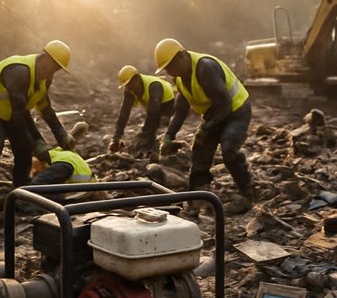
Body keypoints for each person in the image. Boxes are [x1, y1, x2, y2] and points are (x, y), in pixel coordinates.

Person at [0, 40, 76, 223]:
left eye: (56, 70)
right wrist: (37, 142)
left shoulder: (45, 78)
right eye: (50, 66)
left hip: (12, 111)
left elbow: (45, 108)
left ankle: (24, 197)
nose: (51, 71)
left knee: (23, 151)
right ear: (44, 56)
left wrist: (61, 135)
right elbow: (20, 114)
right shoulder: (19, 72)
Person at [153, 38, 255, 215]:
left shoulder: (205, 67)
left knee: (229, 148)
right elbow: (180, 111)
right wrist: (169, 136)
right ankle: (199, 197)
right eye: (166, 69)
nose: (169, 72)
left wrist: (207, 127)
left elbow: (225, 103)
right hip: (215, 112)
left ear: (181, 56)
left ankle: (247, 192)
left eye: (170, 66)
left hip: (236, 110)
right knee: (199, 150)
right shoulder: (181, 78)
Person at [108, 65, 175, 160]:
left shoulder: (154, 86)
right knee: (147, 135)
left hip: (168, 103)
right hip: (153, 107)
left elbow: (153, 112)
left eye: (130, 84)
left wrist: (143, 134)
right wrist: (116, 137)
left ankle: (166, 147)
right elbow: (124, 112)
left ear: (137, 78)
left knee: (161, 127)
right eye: (126, 85)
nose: (129, 88)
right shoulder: (130, 89)